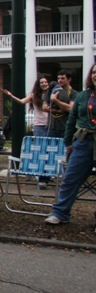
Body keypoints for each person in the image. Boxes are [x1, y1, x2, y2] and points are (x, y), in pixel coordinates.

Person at [46, 63, 96, 225]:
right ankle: (61, 213)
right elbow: (72, 119)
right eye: (94, 72)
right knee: (70, 178)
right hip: (82, 142)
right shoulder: (83, 96)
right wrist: (68, 141)